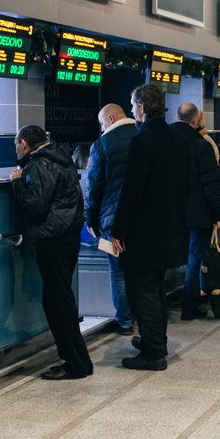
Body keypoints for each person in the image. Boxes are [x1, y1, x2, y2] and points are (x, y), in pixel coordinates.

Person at [112, 85, 189, 372]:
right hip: (171, 228)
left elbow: (133, 191)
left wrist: (119, 229)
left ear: (142, 107)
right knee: (157, 290)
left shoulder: (142, 141)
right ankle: (156, 340)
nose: (132, 110)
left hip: (145, 232)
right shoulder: (177, 138)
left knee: (142, 290)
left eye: (133, 105)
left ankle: (153, 352)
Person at [10, 126, 93, 381]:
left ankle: (75, 363)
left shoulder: (39, 165)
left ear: (24, 143)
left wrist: (16, 183)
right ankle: (78, 360)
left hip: (52, 239)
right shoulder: (60, 158)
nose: (16, 151)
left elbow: (34, 205)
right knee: (62, 300)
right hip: (66, 236)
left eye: (16, 146)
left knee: (58, 304)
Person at [170, 102, 220, 320]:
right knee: (194, 258)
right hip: (197, 212)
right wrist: (219, 214)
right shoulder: (201, 145)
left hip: (169, 210)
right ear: (196, 120)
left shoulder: (165, 141)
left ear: (177, 116)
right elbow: (210, 184)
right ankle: (189, 306)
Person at [85, 104, 138, 335]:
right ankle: (145, 317)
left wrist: (91, 219)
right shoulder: (142, 135)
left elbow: (94, 185)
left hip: (112, 219)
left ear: (110, 118)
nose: (102, 128)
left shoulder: (103, 144)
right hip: (143, 218)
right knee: (143, 272)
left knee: (118, 271)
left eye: (102, 123)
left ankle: (125, 321)